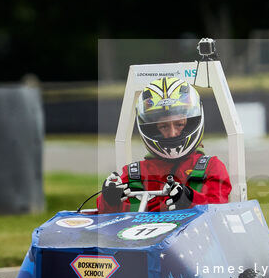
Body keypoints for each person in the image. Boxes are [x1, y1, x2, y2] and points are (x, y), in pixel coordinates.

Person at [96, 77, 231, 213]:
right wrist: (109, 199)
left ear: (190, 123)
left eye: (179, 124)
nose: (172, 134)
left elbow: (219, 209)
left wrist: (190, 200)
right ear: (152, 129)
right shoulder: (133, 174)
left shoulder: (211, 167)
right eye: (163, 126)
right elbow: (106, 222)